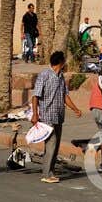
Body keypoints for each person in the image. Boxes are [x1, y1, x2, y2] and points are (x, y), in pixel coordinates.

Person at [30, 50, 80, 183]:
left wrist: (75, 109)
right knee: (51, 144)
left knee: (55, 145)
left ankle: (50, 171)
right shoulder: (44, 75)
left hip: (58, 115)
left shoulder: (61, 77)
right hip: (47, 116)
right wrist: (35, 114)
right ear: (60, 62)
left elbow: (65, 96)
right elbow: (35, 96)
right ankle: (46, 174)